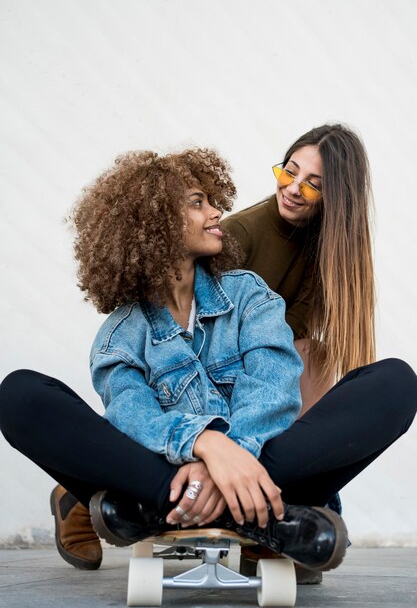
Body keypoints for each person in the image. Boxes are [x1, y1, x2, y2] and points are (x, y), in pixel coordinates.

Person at [0, 149, 415, 585]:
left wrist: (230, 455)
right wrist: (205, 446)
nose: (217, 211)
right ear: (154, 227)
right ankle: (268, 523)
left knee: (394, 383)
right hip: (170, 475)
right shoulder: (119, 336)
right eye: (198, 202)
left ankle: (155, 512)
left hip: (230, 475)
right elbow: (132, 418)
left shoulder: (249, 294)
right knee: (20, 395)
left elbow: (273, 392)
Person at [223, 124, 375, 414]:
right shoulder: (238, 233)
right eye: (289, 172)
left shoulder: (326, 251)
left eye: (312, 185)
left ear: (335, 198)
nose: (292, 188)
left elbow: (294, 328)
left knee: (315, 357)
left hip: (264, 363)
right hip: (220, 365)